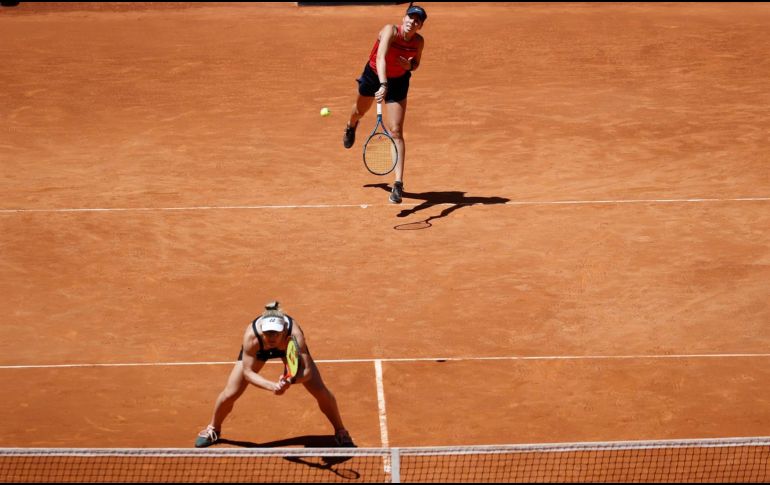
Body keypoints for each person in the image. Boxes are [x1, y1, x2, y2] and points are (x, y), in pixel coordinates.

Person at [195, 301, 354, 447]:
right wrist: (273, 386)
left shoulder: (295, 335)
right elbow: (247, 372)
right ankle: (213, 428)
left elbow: (307, 372)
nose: (271, 337)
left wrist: (291, 380)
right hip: (260, 352)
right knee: (230, 393)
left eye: (275, 333)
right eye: (268, 332)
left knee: (320, 391)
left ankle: (340, 430)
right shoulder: (252, 337)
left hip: (287, 349)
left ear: (284, 330)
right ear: (262, 330)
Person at [343, 4, 427, 204]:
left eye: (417, 21)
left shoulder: (419, 42)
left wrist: (410, 66)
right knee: (359, 112)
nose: (412, 22)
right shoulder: (390, 30)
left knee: (396, 131)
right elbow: (381, 57)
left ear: (420, 26)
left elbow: (416, 63)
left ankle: (398, 184)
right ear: (404, 18)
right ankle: (351, 125)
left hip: (398, 82)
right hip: (374, 75)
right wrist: (382, 83)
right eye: (410, 18)